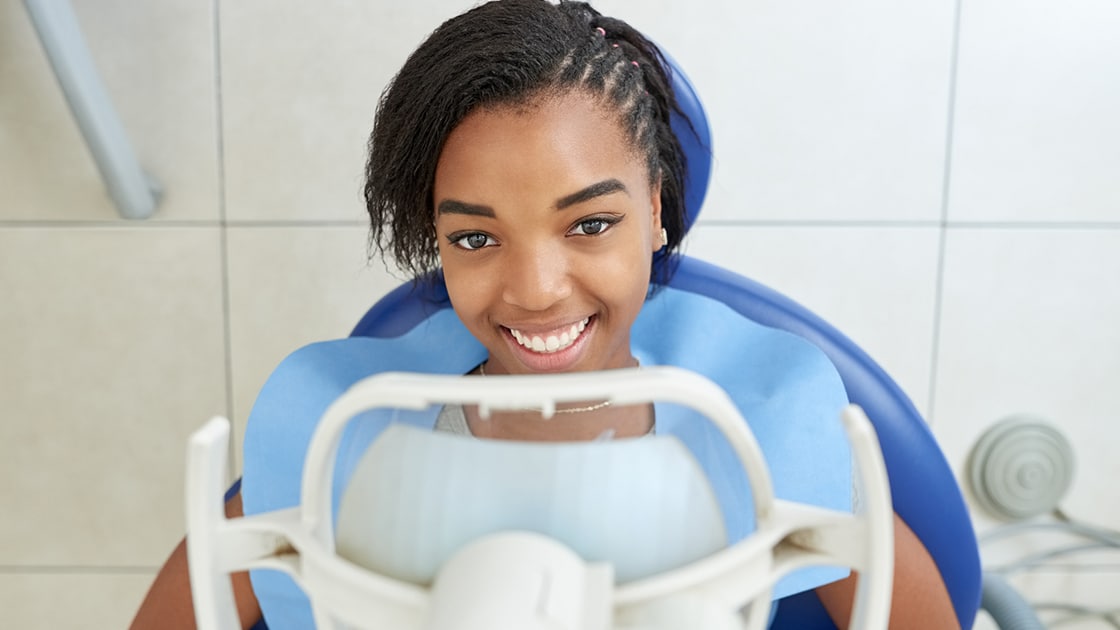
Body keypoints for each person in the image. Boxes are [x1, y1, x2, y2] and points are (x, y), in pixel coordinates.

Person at [132, 1, 959, 628]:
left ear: (657, 209)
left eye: (590, 224)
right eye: (475, 236)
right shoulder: (341, 441)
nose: (534, 289)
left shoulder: (763, 436)